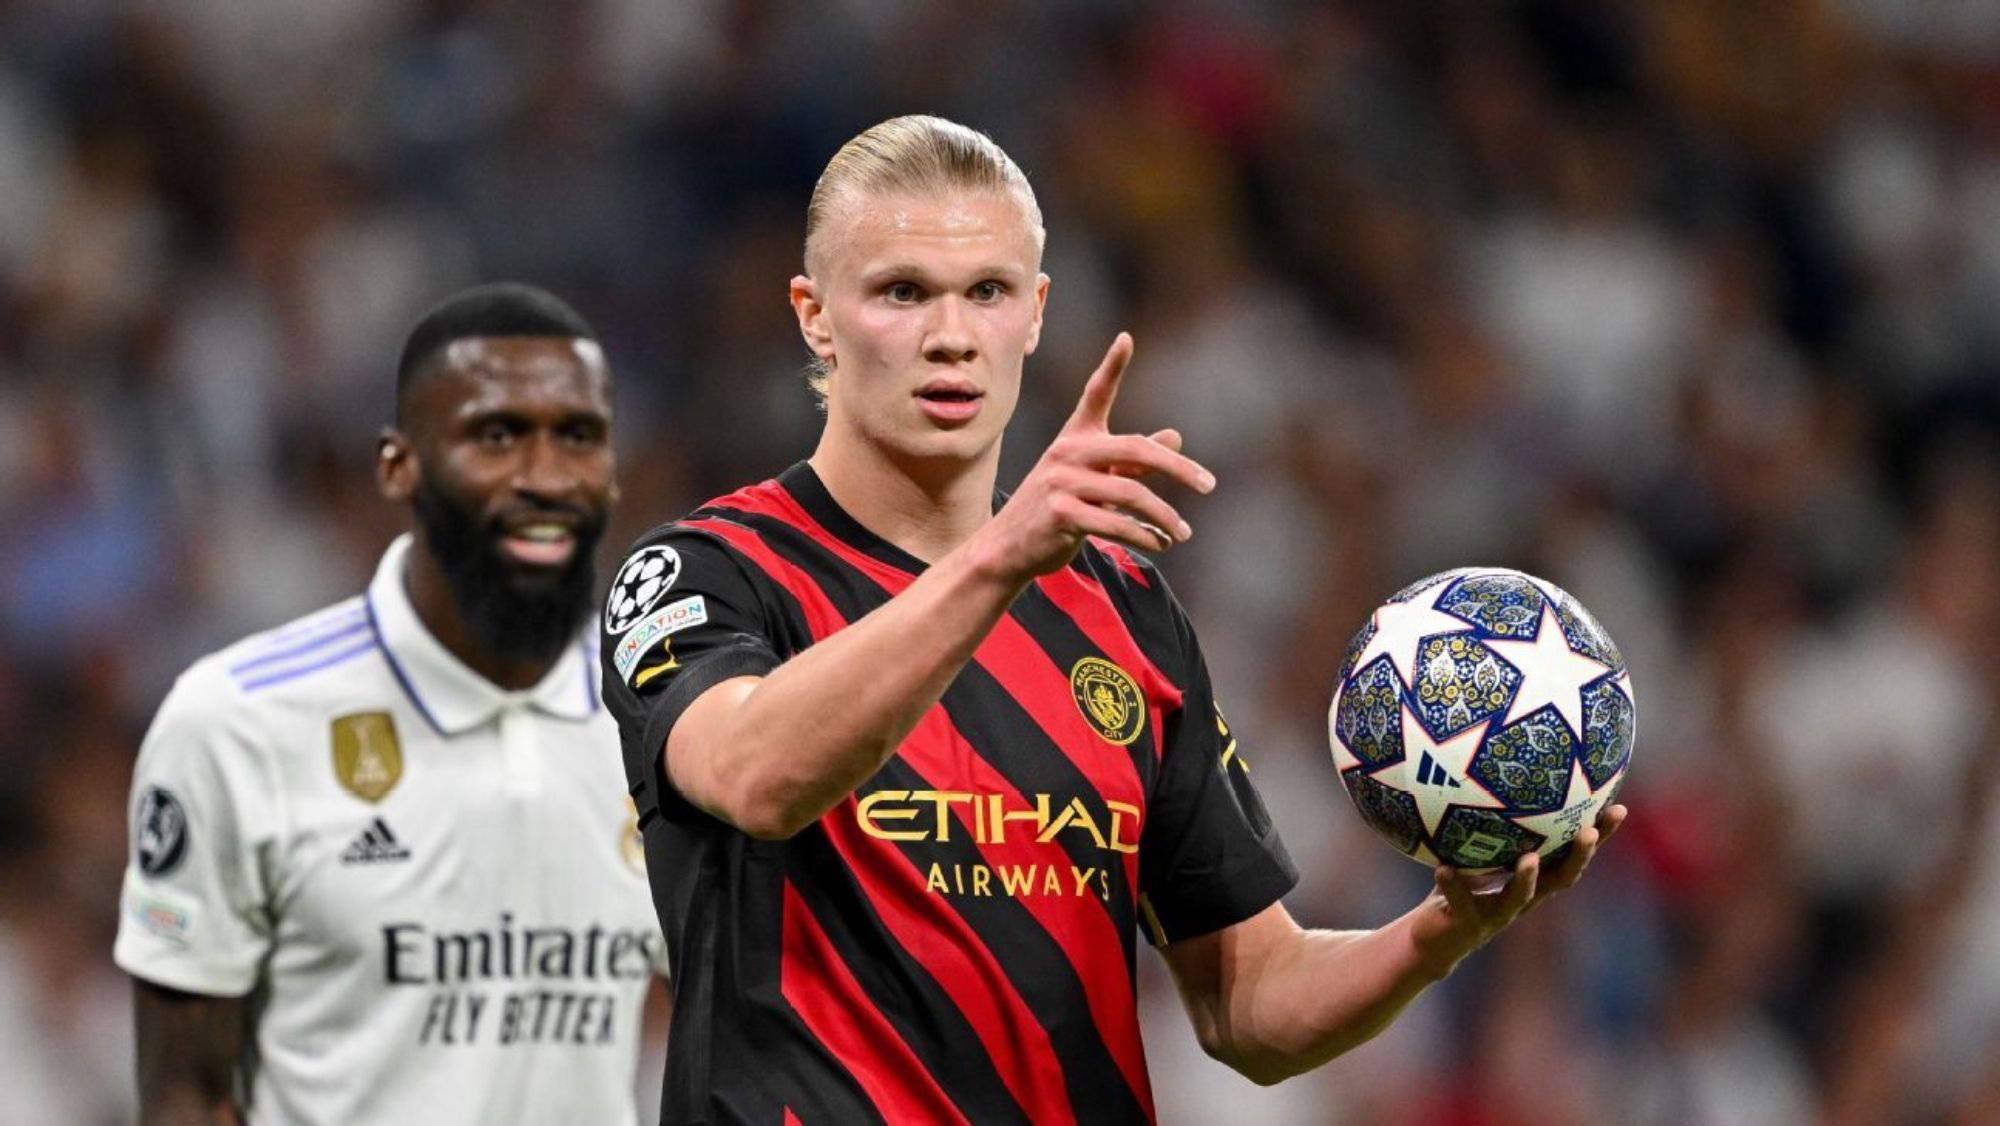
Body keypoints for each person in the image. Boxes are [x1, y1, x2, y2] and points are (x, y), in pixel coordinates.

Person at [601, 116, 1625, 1124]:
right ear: (815, 314)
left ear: (1035, 312)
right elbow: (755, 775)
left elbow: (1247, 1003)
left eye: (986, 292)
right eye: (900, 291)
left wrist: (1440, 930)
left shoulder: (1124, 614)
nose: (950, 335)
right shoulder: (704, 574)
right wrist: (997, 561)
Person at [117, 283, 668, 1125]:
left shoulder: (664, 719)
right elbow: (185, 1095)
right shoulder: (235, 724)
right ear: (397, 464)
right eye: (498, 435)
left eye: (579, 437)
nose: (547, 476)